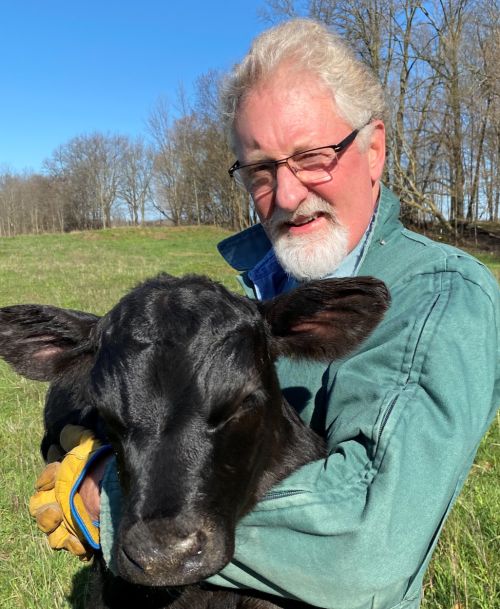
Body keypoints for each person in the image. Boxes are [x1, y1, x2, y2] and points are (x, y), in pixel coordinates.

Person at [30, 19, 499, 609]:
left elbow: (367, 543)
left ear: (374, 149)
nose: (287, 194)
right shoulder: (249, 297)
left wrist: (107, 500)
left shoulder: (439, 293)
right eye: (261, 169)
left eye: (312, 156)